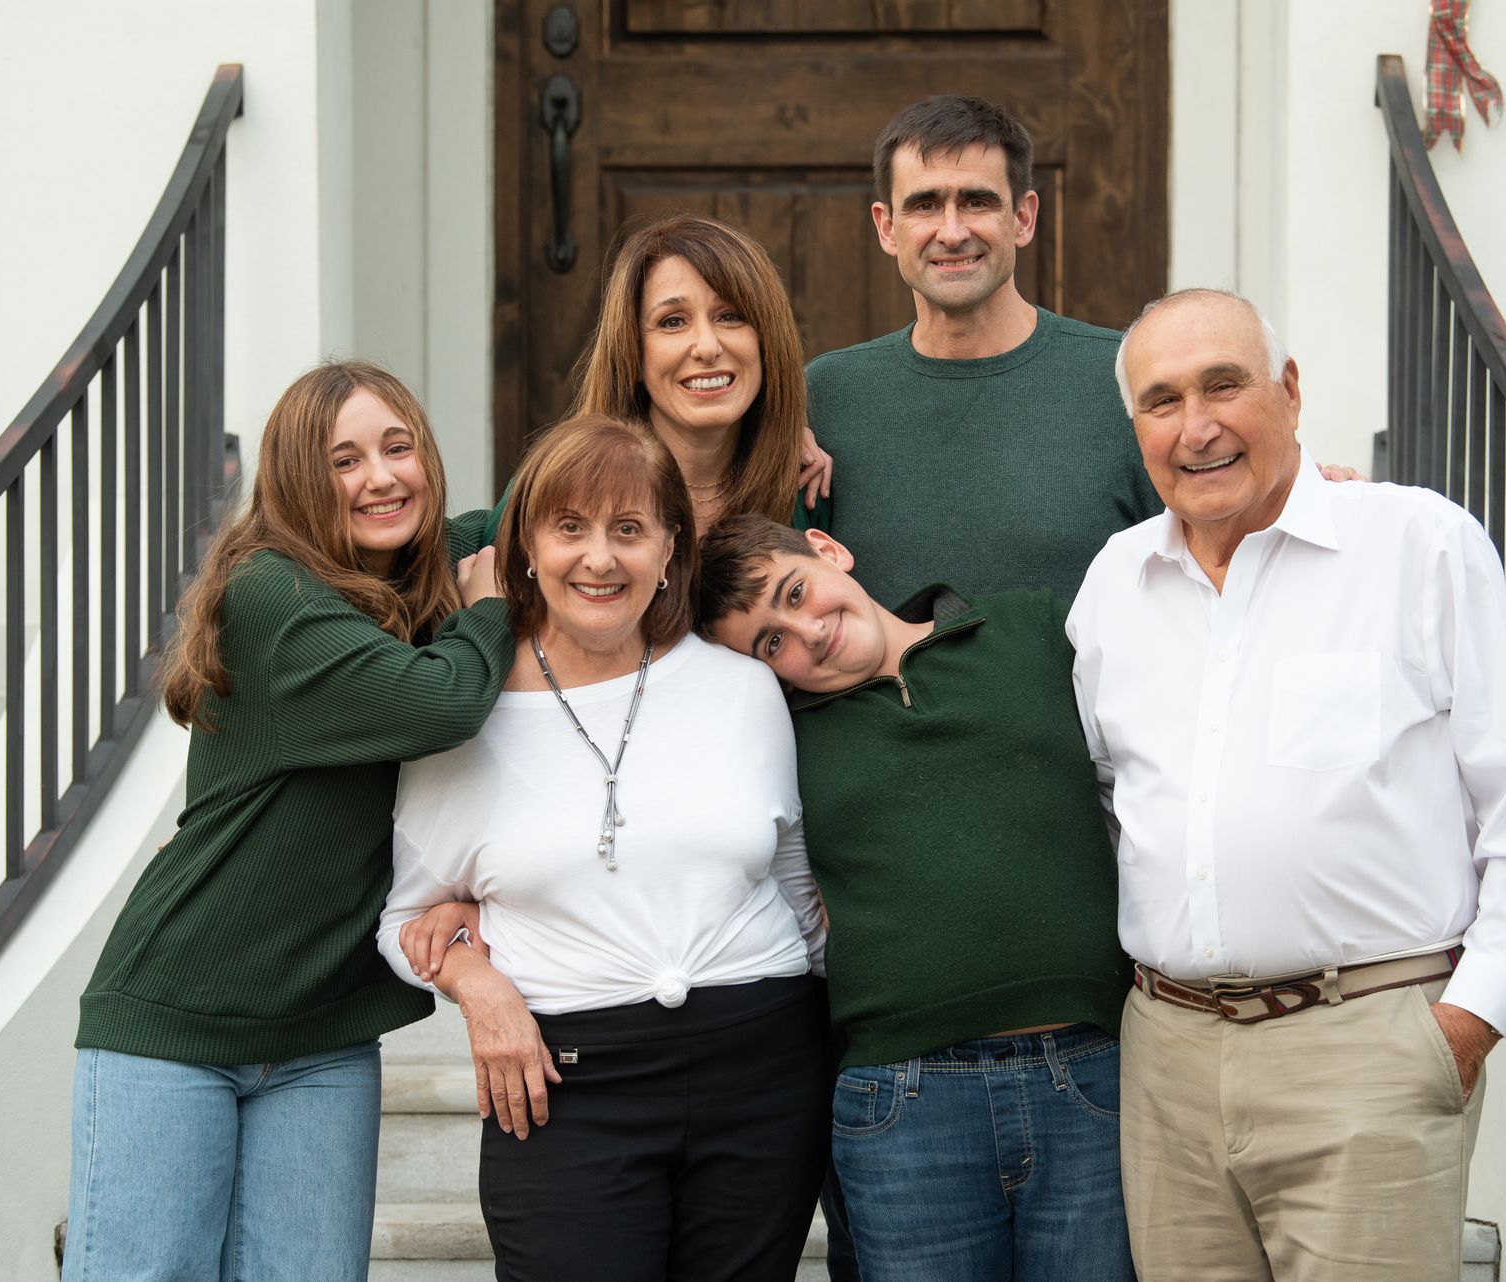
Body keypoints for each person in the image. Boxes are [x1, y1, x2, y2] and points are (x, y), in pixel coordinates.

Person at [1068, 288, 1506, 1281]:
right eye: (1163, 400)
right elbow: (1104, 803)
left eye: (1226, 385)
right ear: (1136, 426)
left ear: (1291, 392)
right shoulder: (1114, 586)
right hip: (1167, 1061)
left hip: (1368, 1049)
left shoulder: (1415, 545)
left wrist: (1466, 1022)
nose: (1199, 426)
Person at [65, 360, 516, 1282]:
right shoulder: (271, 593)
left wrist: (747, 433)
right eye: (344, 460)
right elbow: (441, 703)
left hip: (320, 1038)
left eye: (398, 448)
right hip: (177, 1021)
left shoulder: (414, 591)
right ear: (299, 482)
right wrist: (496, 605)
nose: (381, 477)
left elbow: (552, 501)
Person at [380, 415, 830, 1281]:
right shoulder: (461, 717)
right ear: (525, 552)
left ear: (670, 550)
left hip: (765, 1076)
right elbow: (403, 917)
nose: (600, 558)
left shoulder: (742, 689)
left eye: (630, 529)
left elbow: (795, 889)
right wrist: (477, 987)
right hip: (560, 1087)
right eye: (570, 528)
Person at [695, 513, 1135, 1282]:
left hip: (1094, 1073)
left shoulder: (1032, 627)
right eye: (771, 643)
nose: (807, 633)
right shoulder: (783, 735)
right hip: (906, 1100)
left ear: (828, 550)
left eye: (796, 592)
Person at [803, 94, 1162, 607]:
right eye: (925, 204)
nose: (952, 232)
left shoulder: (1125, 377)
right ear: (887, 227)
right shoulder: (827, 393)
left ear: (1023, 217)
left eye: (977, 201)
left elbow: (1221, 542)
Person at [483, 214, 832, 544]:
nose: (707, 347)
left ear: (766, 340)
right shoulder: (552, 487)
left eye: (730, 316)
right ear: (632, 352)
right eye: (672, 322)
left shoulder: (809, 490)